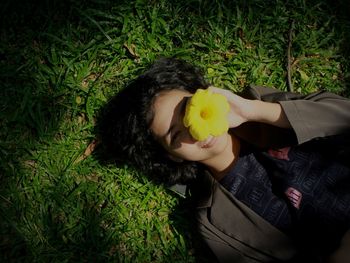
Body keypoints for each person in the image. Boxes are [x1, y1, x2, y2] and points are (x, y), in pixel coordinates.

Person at [97, 57, 350, 262]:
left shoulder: (260, 105)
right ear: (170, 155)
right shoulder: (214, 222)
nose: (194, 130)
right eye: (175, 135)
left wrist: (255, 111)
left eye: (189, 110)